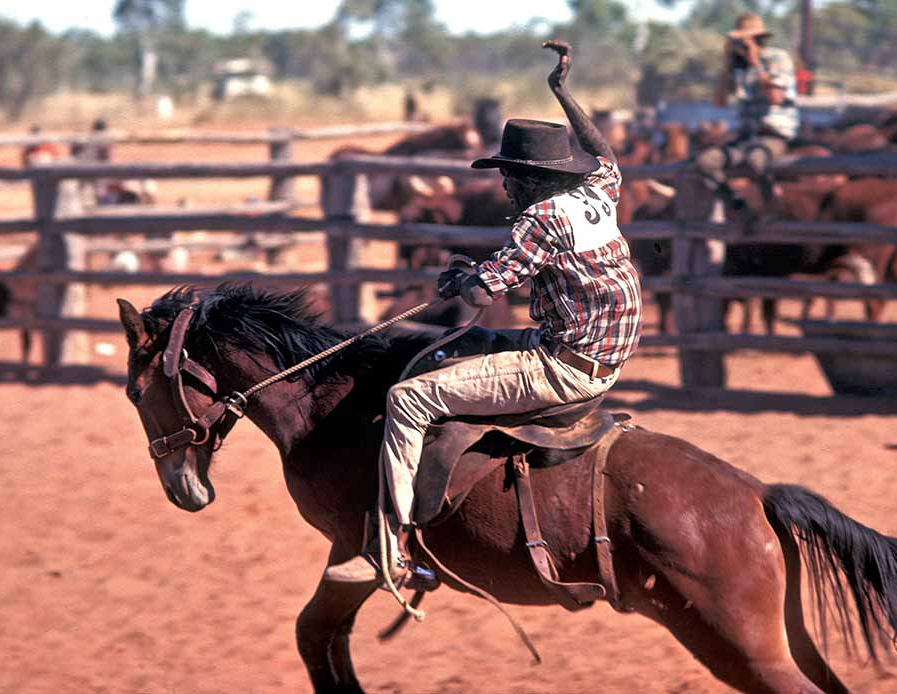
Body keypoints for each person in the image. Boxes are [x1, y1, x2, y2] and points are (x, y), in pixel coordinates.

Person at [324, 39, 643, 585]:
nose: (503, 184)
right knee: (454, 354)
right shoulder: (597, 190)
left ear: (528, 176)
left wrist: (461, 277)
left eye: (509, 173)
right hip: (605, 351)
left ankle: (391, 546)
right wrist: (561, 92)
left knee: (408, 397)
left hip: (564, 364)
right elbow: (603, 151)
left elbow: (482, 294)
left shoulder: (540, 218)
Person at [694, 12, 799, 225]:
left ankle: (772, 206)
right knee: (705, 162)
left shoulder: (777, 59)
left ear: (758, 40)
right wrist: (727, 66)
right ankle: (736, 206)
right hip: (745, 136)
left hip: (773, 134)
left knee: (756, 159)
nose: (741, 46)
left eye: (744, 41)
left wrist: (756, 62)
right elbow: (719, 102)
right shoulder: (739, 68)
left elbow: (775, 97)